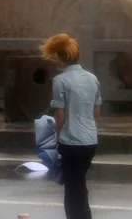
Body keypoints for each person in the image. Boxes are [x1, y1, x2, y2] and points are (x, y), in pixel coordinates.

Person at [40, 33, 102, 219]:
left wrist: (58, 137)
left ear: (60, 57)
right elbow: (96, 111)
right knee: (79, 183)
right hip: (90, 140)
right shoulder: (92, 78)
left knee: (73, 188)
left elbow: (60, 115)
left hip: (71, 142)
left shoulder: (61, 81)